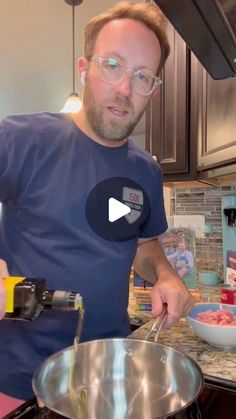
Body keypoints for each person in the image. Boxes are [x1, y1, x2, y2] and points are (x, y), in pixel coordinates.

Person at [0, 1, 194, 413]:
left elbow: (144, 245)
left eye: (143, 76)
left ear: (153, 89)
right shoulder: (20, 141)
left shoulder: (145, 172)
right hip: (16, 380)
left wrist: (165, 274)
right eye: (113, 65)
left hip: (112, 372)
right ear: (85, 68)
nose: (126, 89)